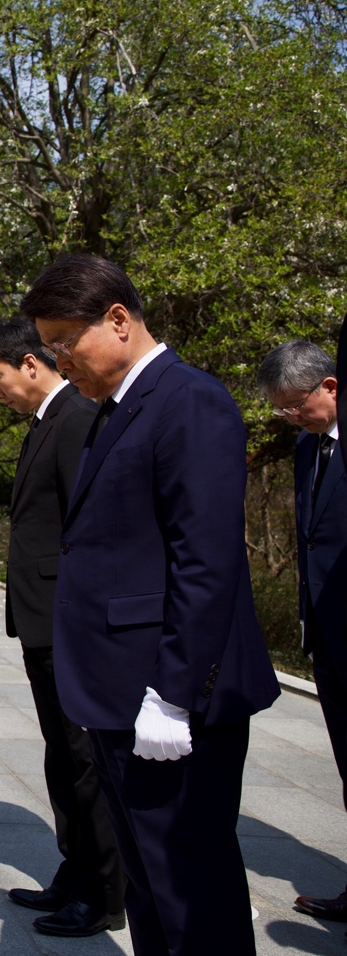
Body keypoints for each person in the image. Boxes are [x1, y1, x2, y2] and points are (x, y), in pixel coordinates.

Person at [23, 254, 279, 956]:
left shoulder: (188, 399)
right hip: (118, 690)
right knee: (149, 884)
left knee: (191, 887)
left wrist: (171, 693)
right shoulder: (118, 408)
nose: (59, 358)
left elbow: (207, 561)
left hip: (169, 695)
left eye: (64, 341)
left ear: (118, 320)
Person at [0, 319, 125, 938]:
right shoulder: (45, 422)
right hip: (43, 616)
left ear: (31, 365)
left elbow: (89, 527)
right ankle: (75, 868)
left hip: (70, 617)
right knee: (62, 753)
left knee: (86, 757)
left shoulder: (77, 418)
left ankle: (106, 891)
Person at [256, 341, 347, 921]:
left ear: (331, 387)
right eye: (281, 410)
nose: (291, 416)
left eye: (296, 405)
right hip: (327, 636)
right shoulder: (307, 447)